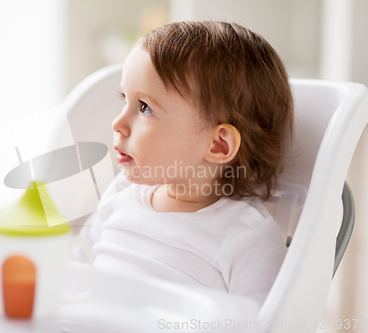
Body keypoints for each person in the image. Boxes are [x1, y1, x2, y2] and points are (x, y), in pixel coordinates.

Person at [72, 21, 293, 306]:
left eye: (145, 108)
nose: (118, 124)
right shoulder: (122, 192)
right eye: (124, 99)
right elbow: (75, 272)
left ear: (218, 145)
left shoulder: (247, 238)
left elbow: (265, 325)